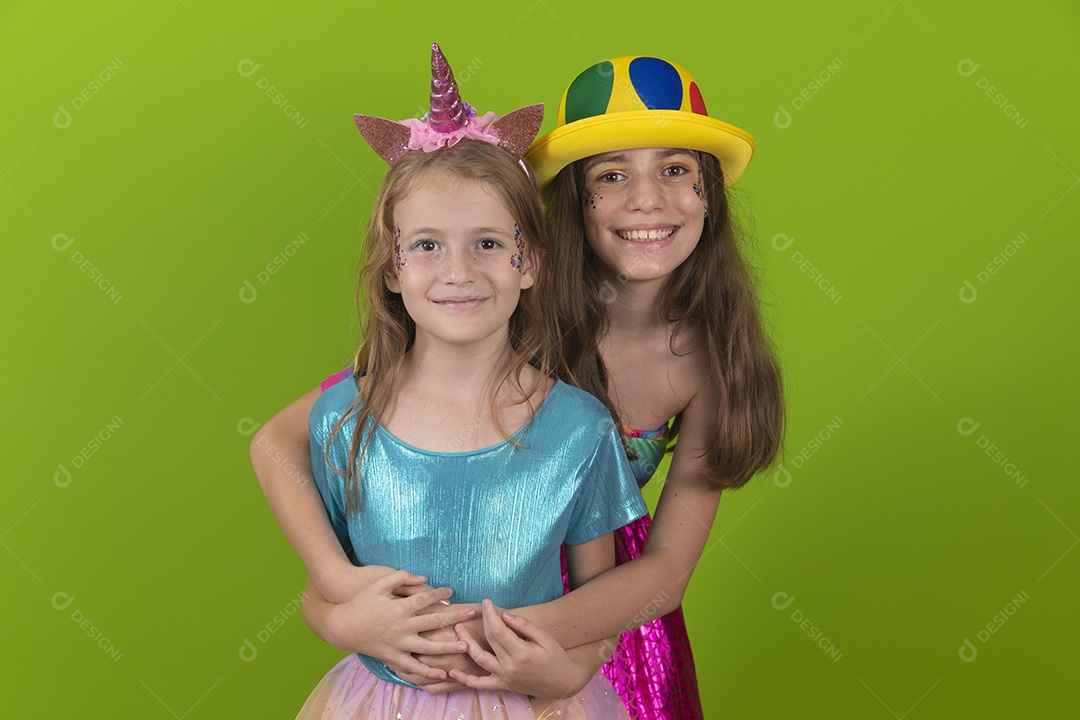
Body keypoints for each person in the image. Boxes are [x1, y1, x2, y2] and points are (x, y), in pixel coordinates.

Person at [255, 54, 784, 719]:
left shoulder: (714, 361)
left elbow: (666, 572)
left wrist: (496, 641)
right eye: (611, 175)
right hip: (441, 623)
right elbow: (297, 445)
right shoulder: (496, 310)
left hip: (594, 627)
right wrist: (341, 604)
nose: (646, 199)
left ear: (711, 195)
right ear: (571, 202)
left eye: (676, 170)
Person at [278, 44, 645, 719]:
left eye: (488, 243)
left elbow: (599, 609)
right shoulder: (343, 420)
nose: (458, 272)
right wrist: (345, 624)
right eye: (427, 245)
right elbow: (320, 593)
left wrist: (567, 670)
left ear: (528, 263)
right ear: (393, 269)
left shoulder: (580, 428)